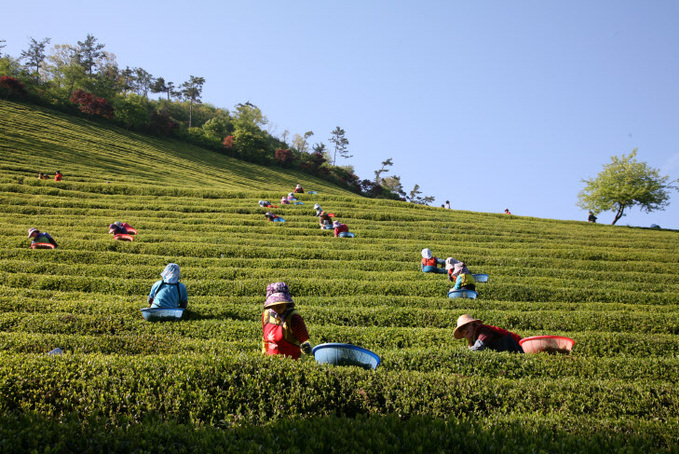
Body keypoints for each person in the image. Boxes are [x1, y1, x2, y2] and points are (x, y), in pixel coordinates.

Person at [261, 282, 312, 360]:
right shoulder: (266, 315)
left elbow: (305, 341)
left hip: (291, 364)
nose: (278, 305)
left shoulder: (294, 318)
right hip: (270, 363)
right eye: (275, 303)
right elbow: (265, 340)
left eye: (281, 302)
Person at [454, 314, 524, 353]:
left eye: (466, 327)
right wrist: (469, 342)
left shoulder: (483, 331)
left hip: (517, 346)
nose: (464, 331)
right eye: (462, 330)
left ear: (472, 324)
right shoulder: (473, 338)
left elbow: (479, 347)